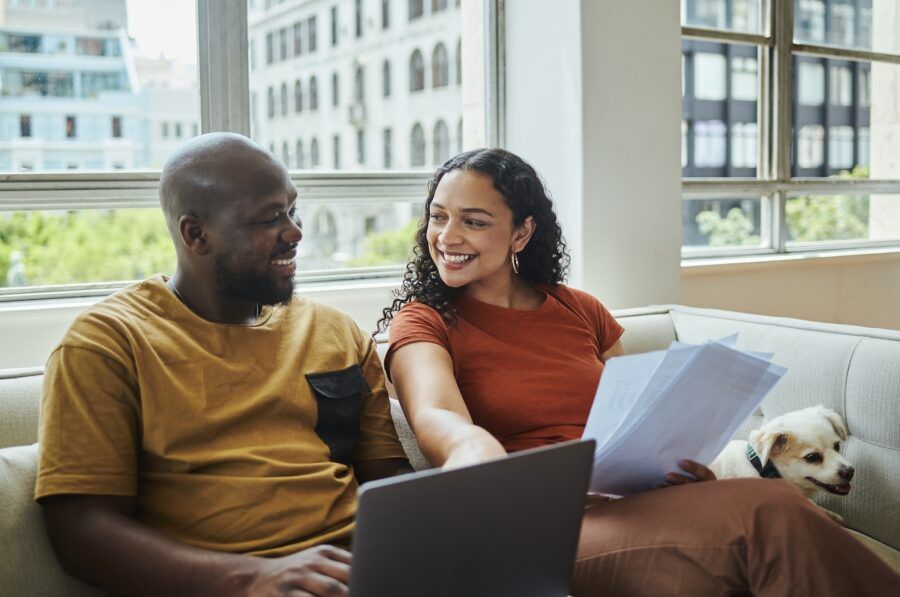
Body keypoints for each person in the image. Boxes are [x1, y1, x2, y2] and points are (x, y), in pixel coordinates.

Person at [380, 147, 900, 596]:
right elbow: (438, 417)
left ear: (522, 232)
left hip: (635, 503)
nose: (447, 235)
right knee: (768, 512)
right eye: (437, 216)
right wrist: (479, 455)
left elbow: (640, 417)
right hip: (539, 524)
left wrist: (677, 465)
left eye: (473, 220)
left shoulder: (579, 309)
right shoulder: (424, 321)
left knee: (770, 511)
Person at [36, 133, 411, 597]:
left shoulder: (335, 332)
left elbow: (390, 483)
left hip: (359, 578)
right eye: (270, 218)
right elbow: (81, 533)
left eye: (293, 210)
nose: (294, 232)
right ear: (196, 234)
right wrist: (252, 578)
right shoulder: (108, 343)